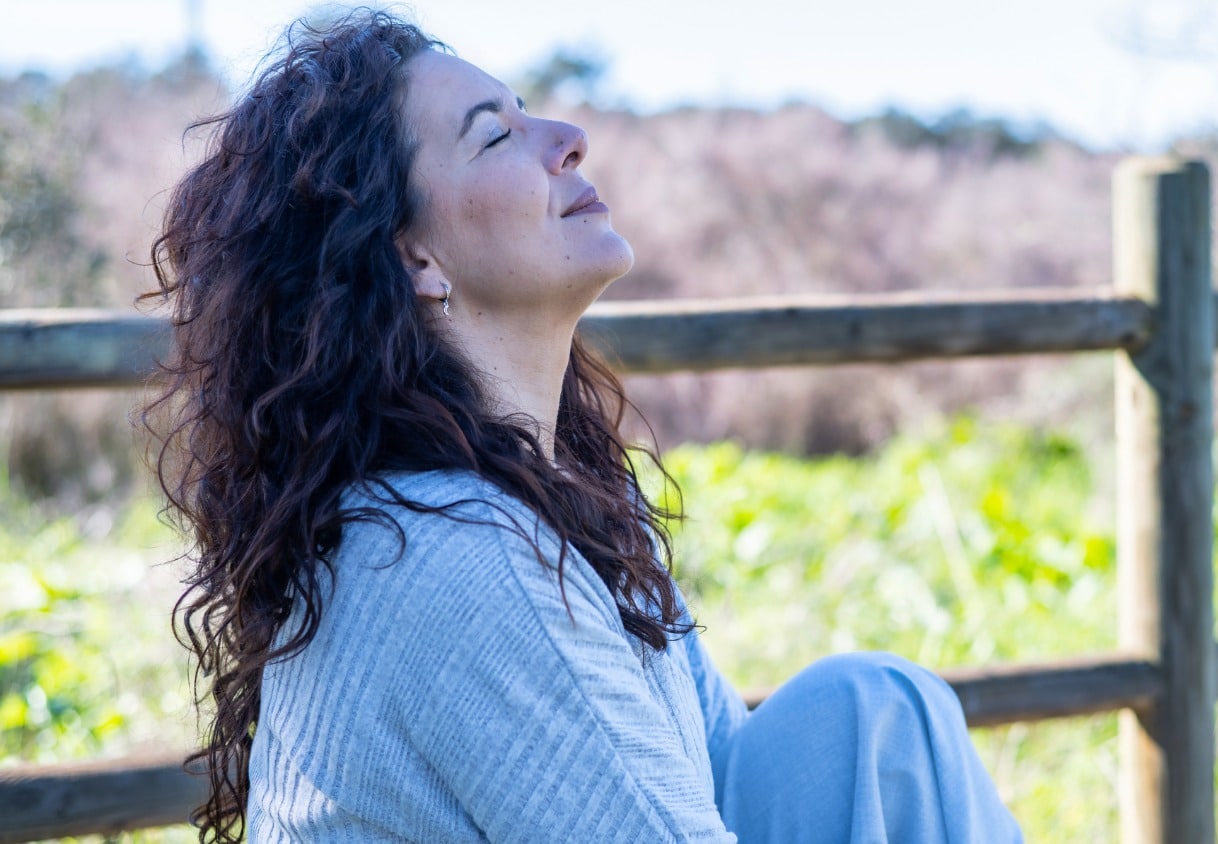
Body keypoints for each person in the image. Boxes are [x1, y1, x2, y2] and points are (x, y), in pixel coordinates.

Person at [145, 8, 1024, 843]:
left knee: (870, 714)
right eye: (495, 134)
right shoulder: (448, 553)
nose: (565, 140)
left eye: (526, 114)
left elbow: (709, 772)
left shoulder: (545, 495)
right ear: (412, 256)